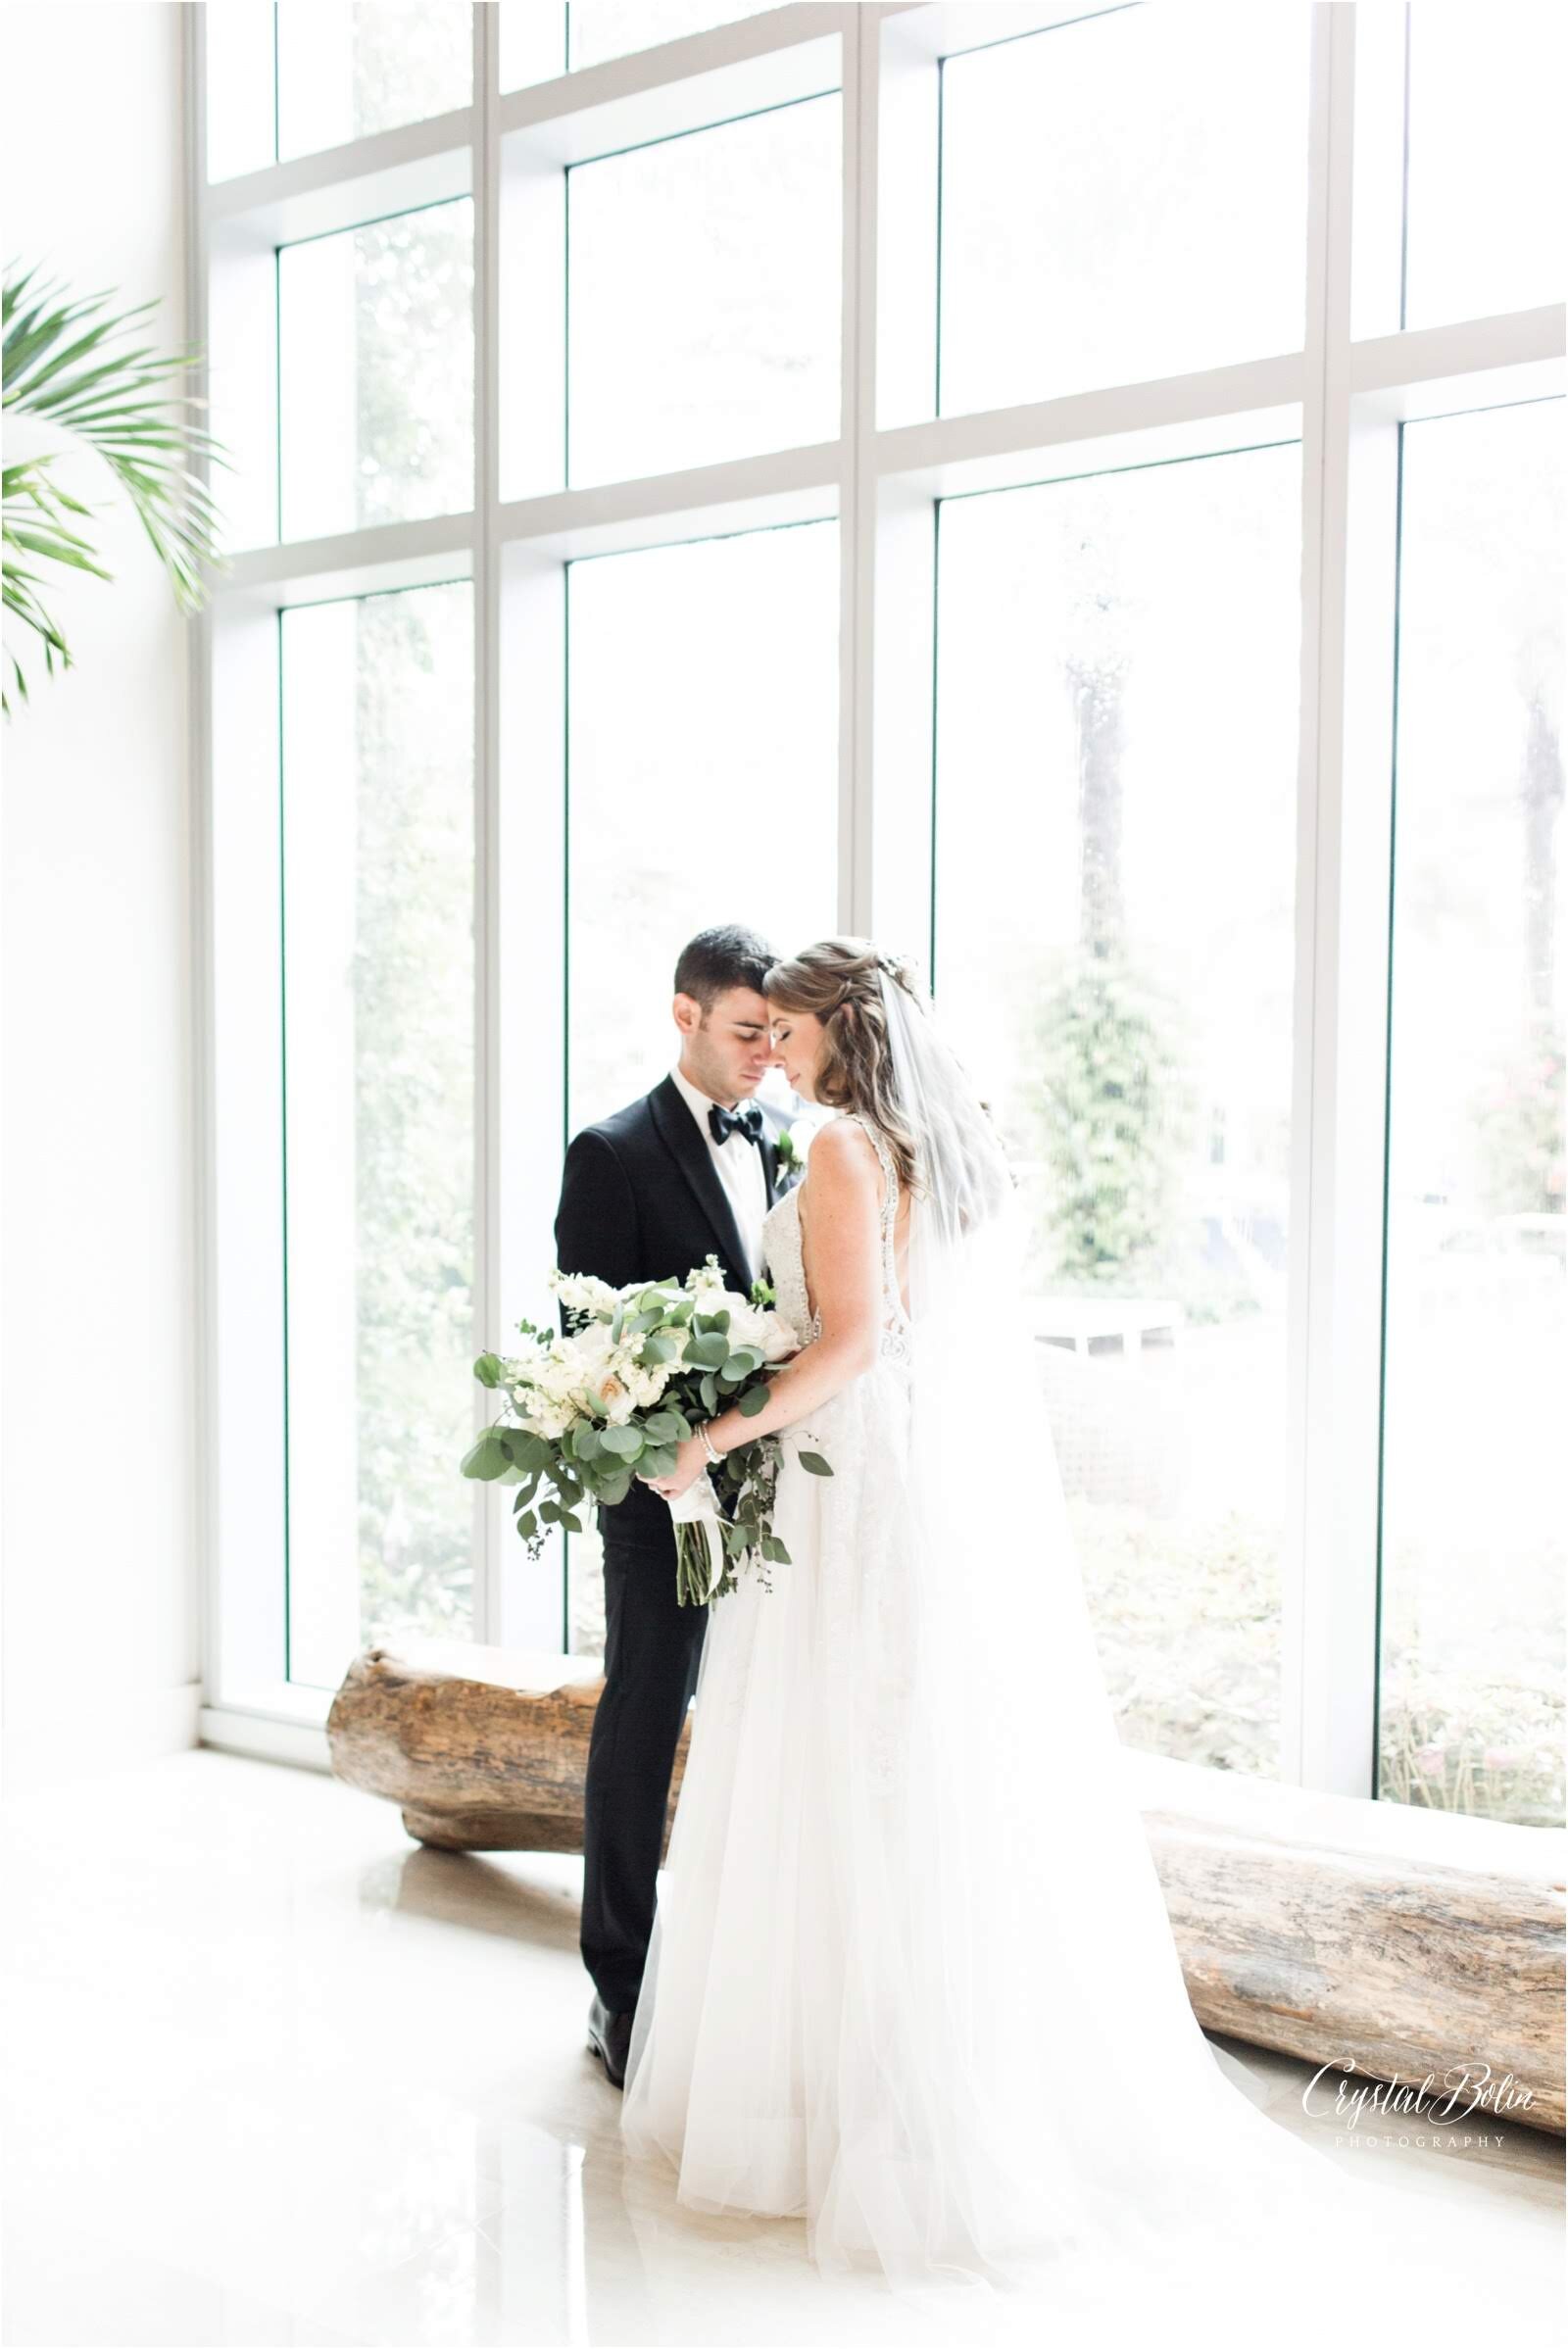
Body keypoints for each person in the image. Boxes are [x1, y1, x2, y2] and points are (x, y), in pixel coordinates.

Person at [616, 937, 1521, 2325]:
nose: (774, 1059)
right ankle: (876, 2089)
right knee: (893, 1778)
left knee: (848, 1774)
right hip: (893, 1480)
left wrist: (715, 1434)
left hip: (852, 1479)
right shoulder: (936, 1146)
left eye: (787, 1036)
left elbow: (852, 1339)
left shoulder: (848, 1151)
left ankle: (863, 2113)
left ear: (834, 1032)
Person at [554, 924, 798, 2090]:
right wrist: (675, 1441)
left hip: (783, 1496)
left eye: (775, 1033)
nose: (766, 1054)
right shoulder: (610, 1153)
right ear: (684, 1016)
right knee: (644, 1720)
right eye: (746, 1030)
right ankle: (620, 1985)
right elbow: (589, 1344)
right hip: (659, 1501)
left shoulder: (789, 1144)